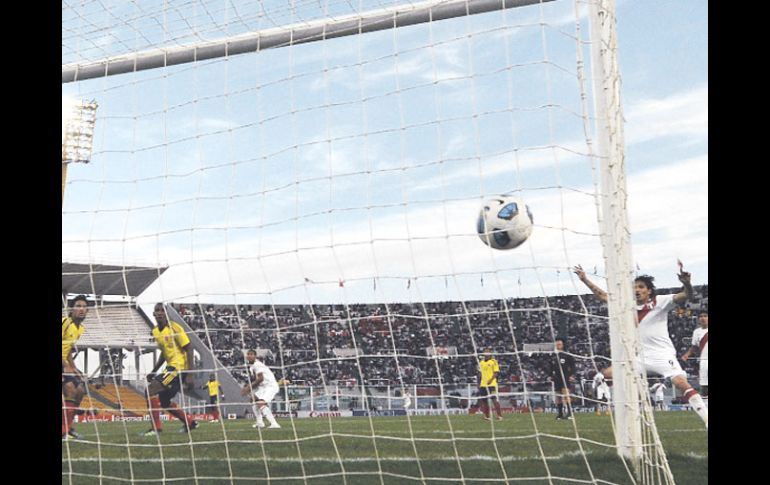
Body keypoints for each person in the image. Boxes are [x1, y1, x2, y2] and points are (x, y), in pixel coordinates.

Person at [573, 265, 708, 427]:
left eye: (641, 287)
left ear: (649, 291)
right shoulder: (626, 305)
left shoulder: (661, 302)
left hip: (662, 355)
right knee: (607, 374)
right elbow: (603, 296)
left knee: (680, 382)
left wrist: (687, 283)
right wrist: (585, 279)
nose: (637, 290)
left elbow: (687, 295)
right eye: (634, 287)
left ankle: (706, 419)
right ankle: (627, 408)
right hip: (639, 357)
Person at [141, 303, 198, 436]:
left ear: (166, 314)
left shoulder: (175, 328)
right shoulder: (155, 331)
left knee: (150, 390)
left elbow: (189, 348)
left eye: (162, 310)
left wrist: (190, 374)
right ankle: (190, 423)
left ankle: (156, 429)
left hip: (178, 368)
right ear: (154, 314)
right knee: (165, 402)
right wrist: (154, 370)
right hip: (171, 367)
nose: (160, 313)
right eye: (157, 310)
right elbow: (164, 352)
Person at [62, 295, 89, 440]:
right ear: (71, 309)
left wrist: (74, 368)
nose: (81, 309)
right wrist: (66, 366)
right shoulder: (65, 322)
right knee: (71, 390)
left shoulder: (80, 329)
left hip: (64, 363)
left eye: (84, 307)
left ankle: (68, 428)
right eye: (78, 306)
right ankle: (64, 431)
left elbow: (68, 350)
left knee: (80, 391)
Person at [242, 349, 281, 429]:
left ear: (255, 356)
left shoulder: (257, 365)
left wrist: (248, 388)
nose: (249, 356)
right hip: (263, 387)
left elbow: (260, 379)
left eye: (251, 354)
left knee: (260, 403)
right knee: (253, 399)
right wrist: (249, 388)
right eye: (248, 354)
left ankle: (274, 424)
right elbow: (257, 380)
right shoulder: (251, 367)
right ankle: (260, 423)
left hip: (270, 386)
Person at [681, 311, 708, 397]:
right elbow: (694, 346)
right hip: (704, 360)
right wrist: (687, 354)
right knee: (704, 384)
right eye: (701, 316)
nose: (703, 318)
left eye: (705, 316)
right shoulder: (697, 332)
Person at [550, 339, 575, 420]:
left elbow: (573, 366)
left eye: (559, 344)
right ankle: (560, 414)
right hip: (556, 378)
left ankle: (570, 413)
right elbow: (550, 366)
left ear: (562, 345)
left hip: (565, 377)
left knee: (566, 394)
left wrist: (571, 375)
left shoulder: (566, 355)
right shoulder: (553, 355)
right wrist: (550, 375)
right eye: (557, 344)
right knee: (558, 396)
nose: (558, 346)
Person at [477, 349, 503, 421]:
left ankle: (499, 416)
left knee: (494, 400)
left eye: (488, 353)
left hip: (492, 384)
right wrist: (479, 383)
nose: (486, 355)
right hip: (483, 385)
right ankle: (487, 416)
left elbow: (496, 373)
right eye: (485, 353)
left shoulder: (493, 362)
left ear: (490, 354)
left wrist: (490, 380)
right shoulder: (481, 362)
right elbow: (479, 373)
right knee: (484, 401)